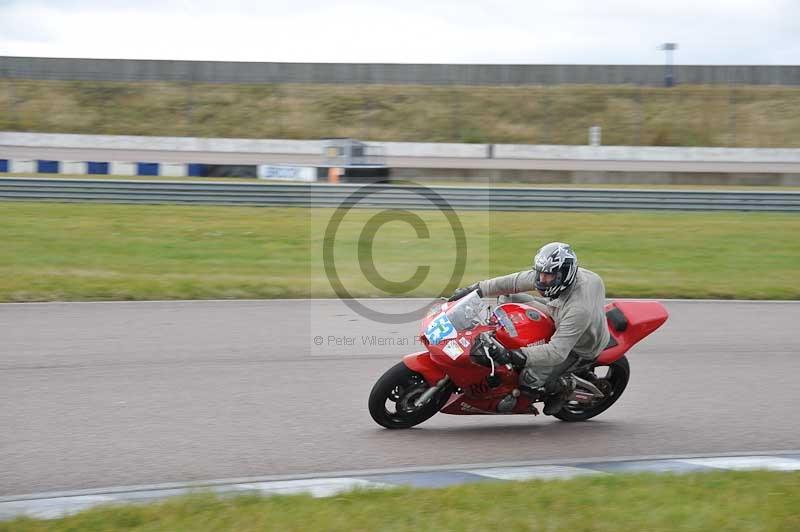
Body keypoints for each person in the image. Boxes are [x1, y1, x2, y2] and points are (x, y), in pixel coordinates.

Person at [448, 242, 609, 415]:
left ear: (564, 275)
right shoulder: (556, 275)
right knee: (508, 296)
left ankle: (563, 388)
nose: (541, 280)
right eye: (540, 273)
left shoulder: (578, 308)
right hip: (557, 311)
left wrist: (511, 355)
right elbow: (511, 282)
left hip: (579, 346)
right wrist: (474, 290)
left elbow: (557, 352)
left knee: (529, 379)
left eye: (547, 276)